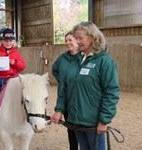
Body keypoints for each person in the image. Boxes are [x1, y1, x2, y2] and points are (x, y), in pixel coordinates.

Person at [51, 21, 120, 150]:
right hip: (76, 121)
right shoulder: (76, 60)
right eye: (76, 38)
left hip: (93, 122)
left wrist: (104, 120)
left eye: (80, 38)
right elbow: (64, 87)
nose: (77, 41)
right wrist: (59, 109)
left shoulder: (104, 61)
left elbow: (111, 92)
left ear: (92, 37)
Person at [0, 27, 26, 119]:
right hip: (1, 78)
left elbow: (22, 66)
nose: (8, 43)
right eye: (6, 40)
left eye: (11, 40)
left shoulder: (17, 54)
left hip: (14, 77)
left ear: (14, 41)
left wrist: (15, 62)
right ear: (1, 41)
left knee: (25, 89)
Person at [52, 31, 79, 150]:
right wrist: (63, 81)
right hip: (66, 100)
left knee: (82, 131)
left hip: (79, 100)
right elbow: (54, 69)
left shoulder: (84, 57)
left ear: (77, 41)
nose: (67, 43)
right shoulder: (62, 58)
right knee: (71, 130)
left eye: (70, 40)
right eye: (66, 41)